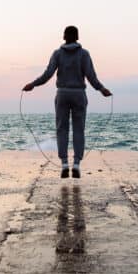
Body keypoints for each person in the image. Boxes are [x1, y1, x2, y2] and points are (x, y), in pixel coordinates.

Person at [23, 26, 112, 178]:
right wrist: (101, 89)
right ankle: (76, 164)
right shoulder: (84, 54)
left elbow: (47, 74)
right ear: (77, 37)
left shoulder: (57, 54)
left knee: (61, 129)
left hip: (62, 94)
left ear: (64, 37)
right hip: (79, 94)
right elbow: (91, 76)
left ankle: (64, 164)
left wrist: (33, 84)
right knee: (79, 130)